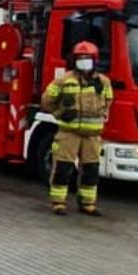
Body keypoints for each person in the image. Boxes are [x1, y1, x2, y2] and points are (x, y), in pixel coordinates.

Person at [42, 41, 112, 216]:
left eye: (87, 58)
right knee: (62, 169)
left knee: (91, 170)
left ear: (94, 60)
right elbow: (46, 101)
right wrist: (59, 113)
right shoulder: (64, 80)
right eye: (81, 58)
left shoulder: (103, 82)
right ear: (74, 60)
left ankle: (88, 203)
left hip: (92, 136)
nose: (84, 62)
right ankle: (59, 203)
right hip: (68, 133)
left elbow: (109, 101)